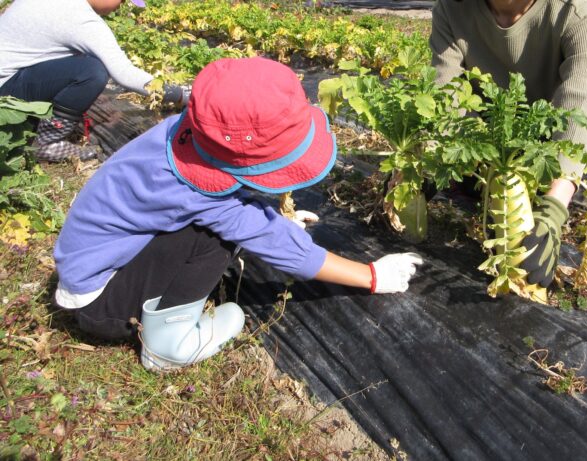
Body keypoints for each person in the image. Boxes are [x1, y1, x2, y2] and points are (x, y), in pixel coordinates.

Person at [53, 57, 424, 371]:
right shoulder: (193, 191)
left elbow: (242, 206)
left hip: (94, 266)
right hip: (102, 301)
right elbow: (277, 244)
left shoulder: (184, 135)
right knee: (214, 237)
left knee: (226, 224)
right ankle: (167, 345)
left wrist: (277, 218)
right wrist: (372, 275)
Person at [429, 0, 587, 288]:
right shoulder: (451, 9)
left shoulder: (575, 14)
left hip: (544, 163)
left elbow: (578, 106)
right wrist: (433, 157)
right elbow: (446, 95)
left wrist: (553, 209)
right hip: (480, 155)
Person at [0, 0, 188, 162]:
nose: (120, 6)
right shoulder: (81, 20)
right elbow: (125, 74)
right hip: (5, 92)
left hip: (9, 74)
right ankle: (47, 144)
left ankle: (36, 124)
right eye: (121, 0)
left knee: (82, 62)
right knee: (92, 71)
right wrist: (181, 95)